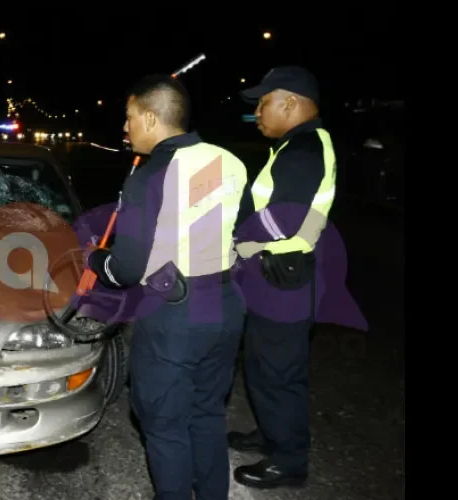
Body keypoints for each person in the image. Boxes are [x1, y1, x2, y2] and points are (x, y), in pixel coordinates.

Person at [85, 74, 248, 500]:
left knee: (164, 424)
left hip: (176, 315)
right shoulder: (229, 161)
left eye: (130, 118)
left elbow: (126, 268)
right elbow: (243, 233)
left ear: (152, 118)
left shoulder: (151, 174)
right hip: (226, 304)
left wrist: (95, 259)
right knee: (207, 412)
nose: (125, 128)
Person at [228, 66, 338, 489]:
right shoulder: (297, 144)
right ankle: (271, 433)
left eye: (263, 102)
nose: (257, 112)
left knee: (278, 372)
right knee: (262, 365)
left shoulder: (304, 148)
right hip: (279, 275)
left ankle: (289, 460)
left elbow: (283, 220)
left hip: (284, 281)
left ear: (290, 102)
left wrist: (236, 241)